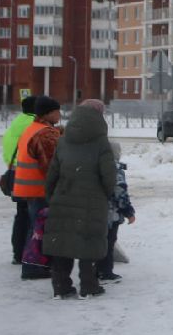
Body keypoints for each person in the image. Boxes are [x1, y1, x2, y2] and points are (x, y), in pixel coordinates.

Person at [43, 99, 117, 299]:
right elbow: (109, 175)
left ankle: (61, 286)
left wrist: (51, 195)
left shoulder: (63, 140)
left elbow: (53, 172)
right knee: (89, 243)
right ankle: (89, 286)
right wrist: (108, 194)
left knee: (62, 244)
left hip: (63, 196)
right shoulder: (101, 143)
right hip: (92, 202)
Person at [12, 95, 63, 280]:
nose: (60, 114)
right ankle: (33, 266)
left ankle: (32, 264)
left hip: (29, 188)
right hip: (39, 189)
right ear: (48, 113)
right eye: (57, 111)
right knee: (39, 230)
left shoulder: (33, 128)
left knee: (34, 227)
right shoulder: (45, 134)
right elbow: (51, 166)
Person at [4, 95, 37, 264]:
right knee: (32, 216)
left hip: (15, 173)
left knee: (21, 215)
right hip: (29, 175)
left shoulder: (17, 122)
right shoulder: (32, 125)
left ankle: (18, 253)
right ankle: (28, 253)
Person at [97, 141, 135, 283]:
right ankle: (105, 272)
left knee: (100, 242)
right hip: (111, 213)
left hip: (96, 210)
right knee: (109, 241)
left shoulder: (96, 165)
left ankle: (98, 269)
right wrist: (128, 211)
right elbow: (119, 192)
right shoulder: (114, 168)